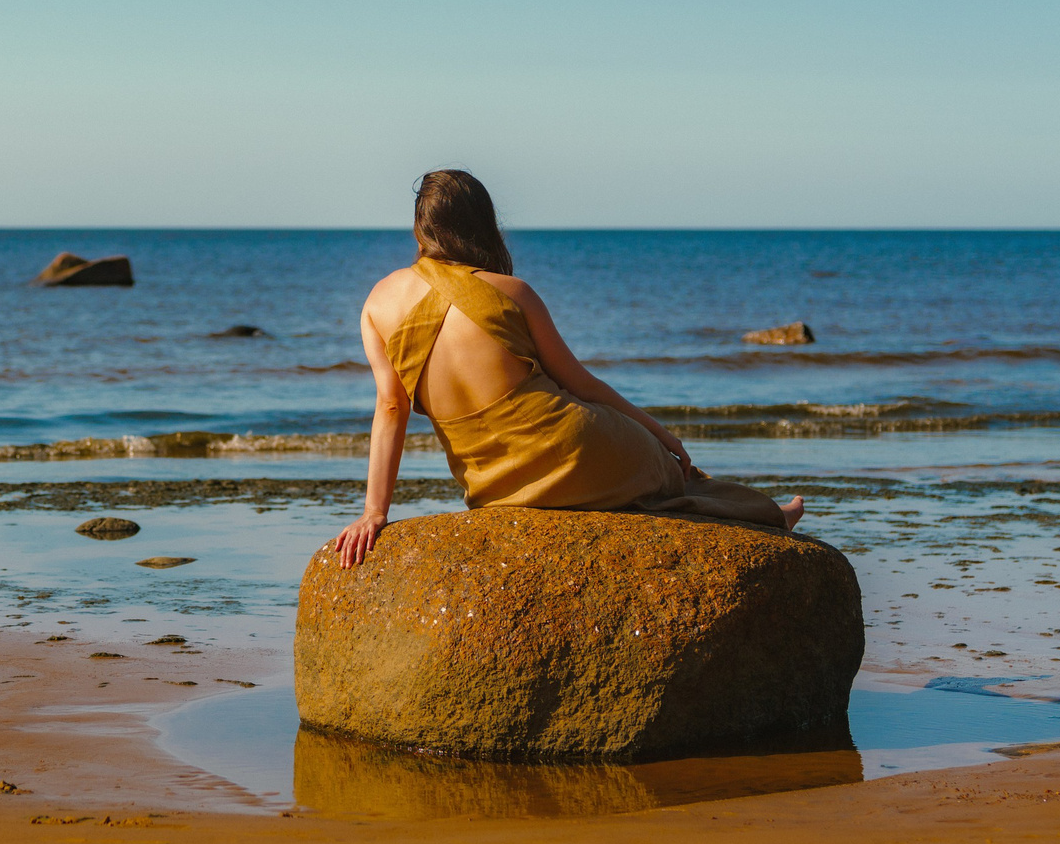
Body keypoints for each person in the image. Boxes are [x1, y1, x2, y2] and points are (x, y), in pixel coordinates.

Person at [329, 169, 803, 568]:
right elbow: (581, 385)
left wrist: (375, 512)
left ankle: (766, 514)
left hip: (495, 485)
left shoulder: (378, 301)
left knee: (659, 483)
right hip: (575, 449)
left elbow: (392, 407)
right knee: (669, 476)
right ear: (481, 226)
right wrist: (661, 434)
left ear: (420, 230)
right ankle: (771, 516)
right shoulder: (511, 290)